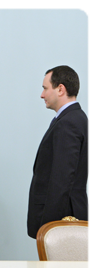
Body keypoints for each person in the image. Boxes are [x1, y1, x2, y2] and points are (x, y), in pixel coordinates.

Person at [27, 65, 92, 239]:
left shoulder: (68, 123)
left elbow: (62, 180)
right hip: (67, 217)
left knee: (58, 267)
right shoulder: (75, 119)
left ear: (60, 89)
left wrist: (49, 229)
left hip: (63, 221)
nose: (42, 95)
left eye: (45, 88)